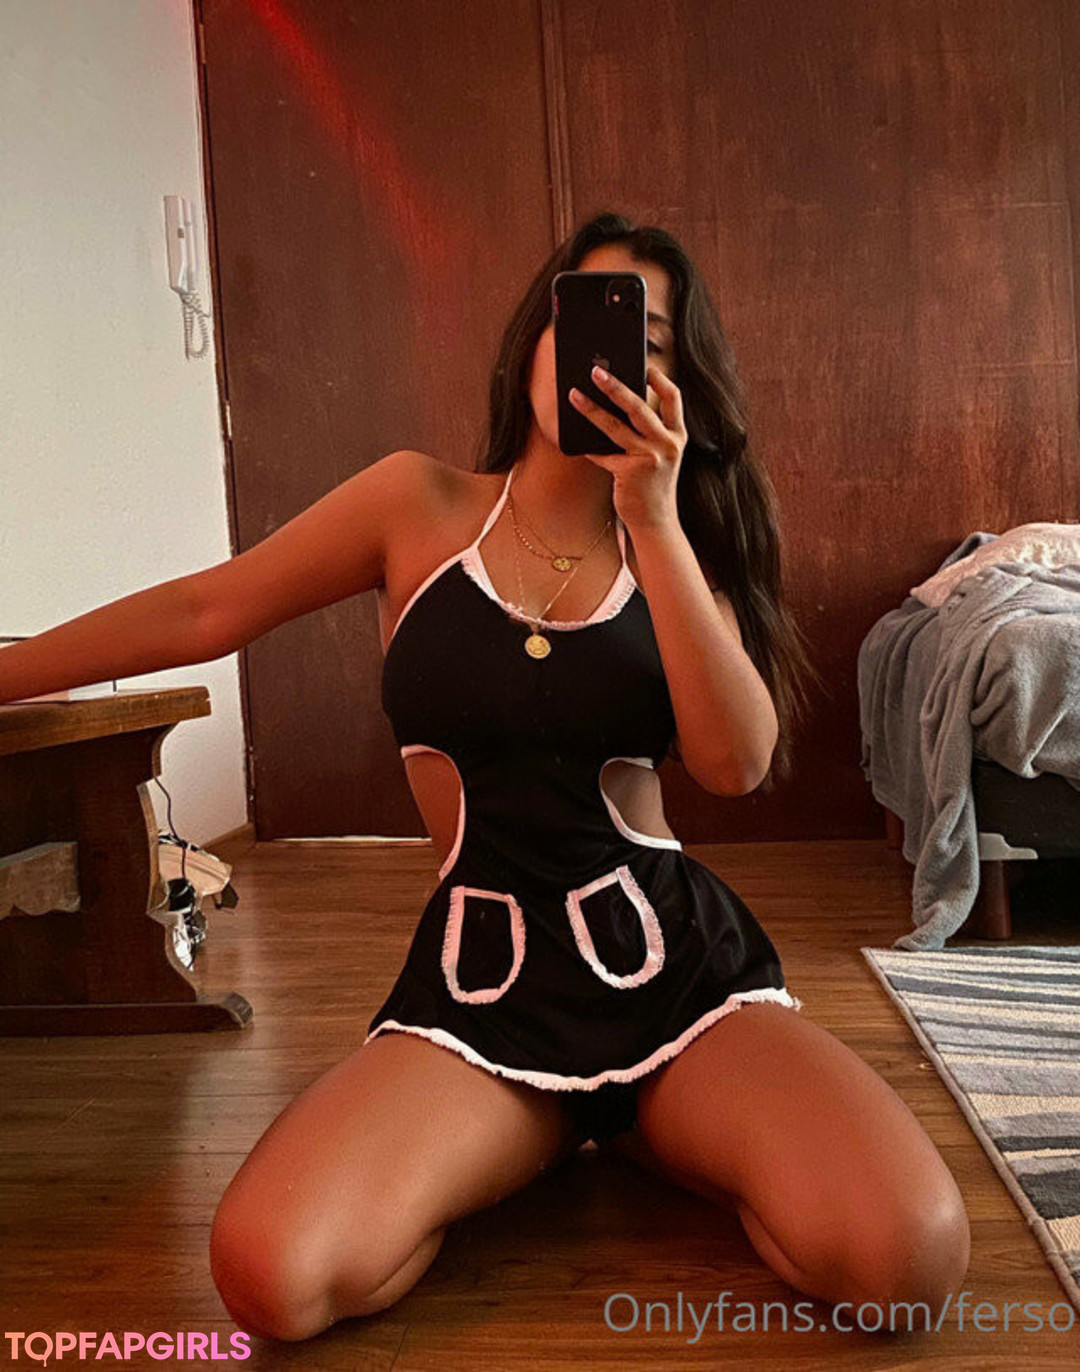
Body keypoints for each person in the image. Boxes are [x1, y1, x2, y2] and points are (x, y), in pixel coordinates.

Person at [1, 213, 970, 1343]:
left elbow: (734, 761)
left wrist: (653, 516)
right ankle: (539, 1131)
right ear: (533, 342)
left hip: (676, 987)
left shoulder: (676, 549)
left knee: (909, 1259)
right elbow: (205, 608)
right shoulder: (415, 507)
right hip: (485, 995)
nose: (605, 353)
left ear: (680, 389)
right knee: (271, 1274)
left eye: (647, 338)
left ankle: (652, 1126)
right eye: (582, 314)